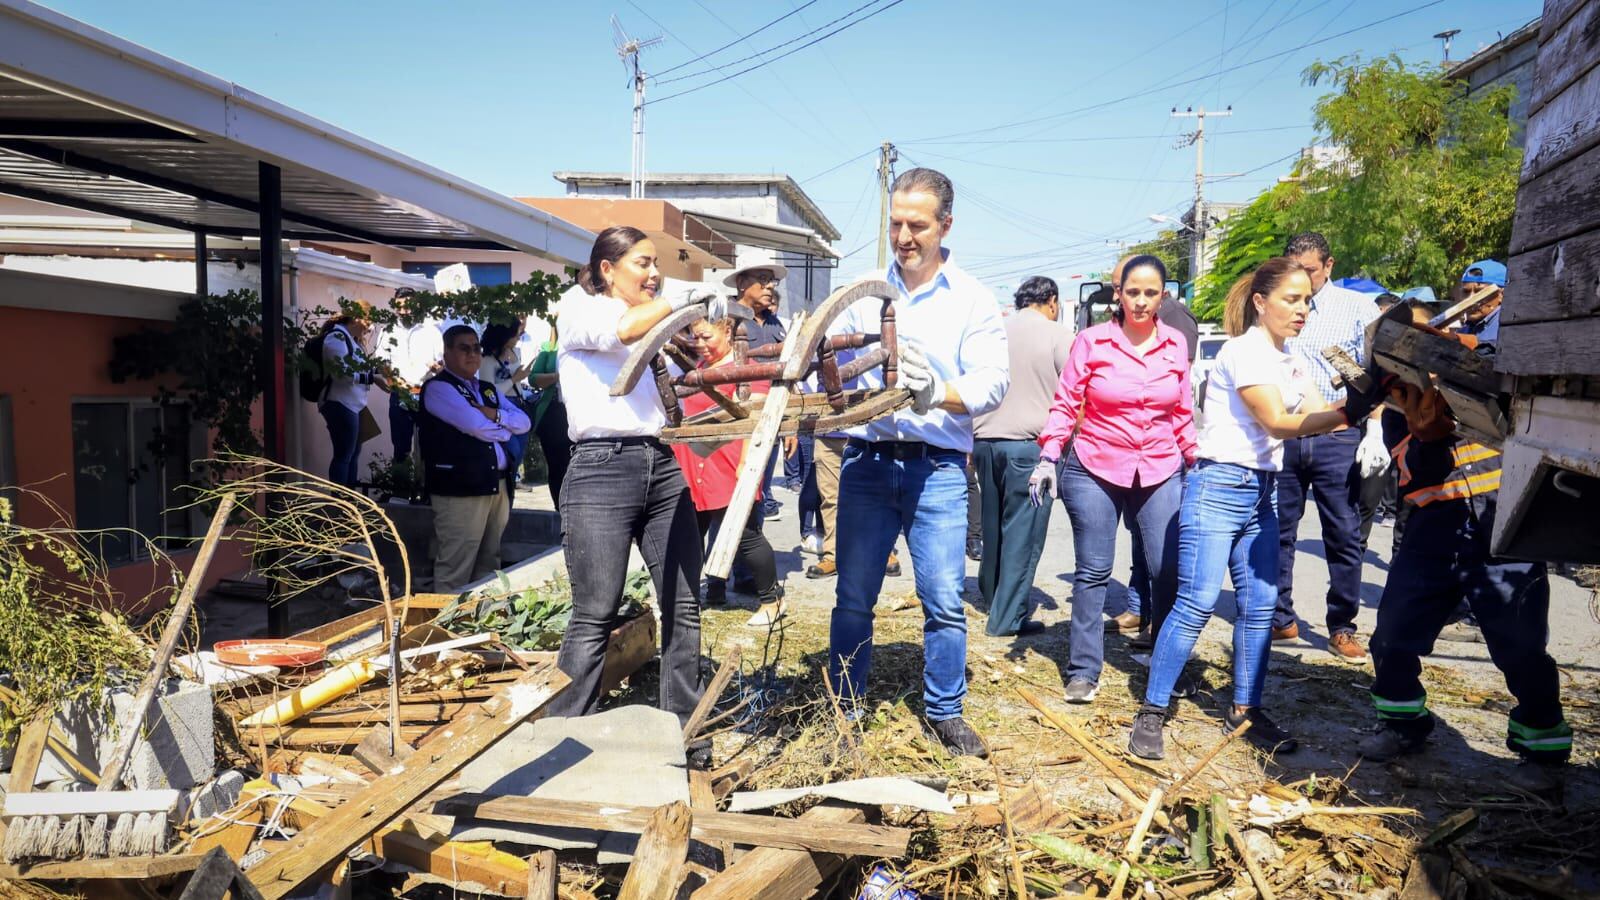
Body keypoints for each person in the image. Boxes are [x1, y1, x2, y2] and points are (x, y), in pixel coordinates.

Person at [1127, 257, 1384, 760]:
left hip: (1263, 491)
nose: (1302, 309)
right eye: (1291, 299)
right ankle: (1152, 711)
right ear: (1261, 303)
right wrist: (1353, 408)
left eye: (1307, 299)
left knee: (1260, 606)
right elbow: (1277, 422)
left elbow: (1319, 415)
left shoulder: (1291, 357)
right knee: (1198, 601)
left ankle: (1246, 709)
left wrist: (1366, 395)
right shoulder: (1245, 351)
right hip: (1219, 486)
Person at [828, 168, 1009, 757]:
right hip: (868, 461)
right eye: (896, 224)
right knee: (854, 595)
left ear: (946, 225)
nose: (904, 236)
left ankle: (944, 711)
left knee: (943, 601)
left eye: (918, 225)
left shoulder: (973, 298)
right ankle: (845, 709)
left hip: (937, 471)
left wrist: (938, 391)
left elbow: (992, 383)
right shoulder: (861, 293)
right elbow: (828, 366)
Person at [544, 226, 720, 740]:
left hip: (661, 466)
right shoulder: (579, 307)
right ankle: (561, 737)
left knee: (683, 604)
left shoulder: (651, 328)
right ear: (607, 268)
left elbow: (670, 393)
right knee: (595, 611)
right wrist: (678, 301)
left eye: (655, 264)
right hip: (601, 469)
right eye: (642, 263)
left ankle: (683, 733)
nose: (654, 273)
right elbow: (620, 331)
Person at [1358, 377, 1570, 794]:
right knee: (1393, 635)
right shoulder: (1399, 409)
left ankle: (1543, 749)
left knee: (1523, 646)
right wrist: (1428, 436)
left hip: (1505, 521)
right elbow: (1415, 474)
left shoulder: (1492, 381)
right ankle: (1403, 724)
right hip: (1434, 528)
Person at [1032, 256, 1195, 702]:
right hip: (1095, 466)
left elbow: (1181, 410)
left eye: (1150, 292)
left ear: (1164, 296)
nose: (1141, 302)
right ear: (1118, 294)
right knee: (1093, 571)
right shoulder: (1092, 342)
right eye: (1132, 292)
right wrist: (1049, 456)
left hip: (1159, 466)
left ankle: (1166, 664)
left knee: (1166, 571)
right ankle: (1084, 669)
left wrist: (1196, 459)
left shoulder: (1175, 344)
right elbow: (1067, 403)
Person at [1273, 232, 1382, 662]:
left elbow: (1377, 375)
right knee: (1278, 531)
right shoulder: (1275, 305)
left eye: (1311, 272)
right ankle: (1281, 616)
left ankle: (1342, 625)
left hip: (1337, 436)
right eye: (1294, 271)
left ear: (1329, 266)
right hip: (1286, 433)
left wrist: (1374, 430)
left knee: (1343, 533)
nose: (1302, 281)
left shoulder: (1358, 309)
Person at [973, 275, 1072, 637]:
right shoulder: (1057, 334)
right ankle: (1007, 619)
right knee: (1023, 535)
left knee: (994, 527)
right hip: (1029, 449)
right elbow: (1076, 389)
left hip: (984, 443)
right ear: (1052, 300)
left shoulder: (993, 330)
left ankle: (993, 597)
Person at [671, 316, 785, 623]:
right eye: (695, 338)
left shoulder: (746, 369)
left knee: (745, 536)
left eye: (706, 336)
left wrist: (748, 465)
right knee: (688, 536)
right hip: (693, 466)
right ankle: (684, 602)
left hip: (729, 462)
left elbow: (757, 418)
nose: (700, 345)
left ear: (727, 330)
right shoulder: (698, 370)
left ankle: (772, 603)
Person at [418, 324, 531, 592]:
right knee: (456, 563)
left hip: (496, 483)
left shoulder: (488, 390)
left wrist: (496, 416)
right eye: (463, 348)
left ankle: (480, 624)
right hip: (459, 488)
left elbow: (524, 422)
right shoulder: (439, 388)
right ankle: (446, 627)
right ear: (446, 352)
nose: (472, 354)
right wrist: (504, 430)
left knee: (489, 562)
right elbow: (475, 426)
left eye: (476, 348)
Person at [318, 301, 389, 486]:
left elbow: (358, 369)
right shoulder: (337, 338)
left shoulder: (352, 341)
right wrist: (373, 379)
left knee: (353, 454)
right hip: (339, 403)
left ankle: (350, 500)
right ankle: (341, 503)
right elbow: (342, 374)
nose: (370, 328)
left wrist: (377, 373)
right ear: (357, 318)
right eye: (368, 322)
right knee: (344, 455)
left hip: (354, 404)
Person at [377, 293, 441, 462]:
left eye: (408, 305)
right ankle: (401, 487)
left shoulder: (431, 330)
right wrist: (394, 381)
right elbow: (381, 363)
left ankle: (424, 487)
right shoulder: (387, 330)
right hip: (400, 395)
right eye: (400, 306)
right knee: (401, 449)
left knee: (429, 447)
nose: (405, 310)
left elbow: (442, 363)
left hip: (426, 395)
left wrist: (436, 368)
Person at [478, 320, 535, 473]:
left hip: (519, 404)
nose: (518, 338)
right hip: (502, 407)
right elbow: (488, 393)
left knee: (518, 453)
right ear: (505, 335)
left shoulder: (515, 351)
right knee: (511, 451)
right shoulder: (487, 359)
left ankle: (510, 489)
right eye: (516, 335)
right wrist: (514, 379)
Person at [526, 322, 571, 504]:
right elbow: (533, 378)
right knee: (557, 465)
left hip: (577, 412)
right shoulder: (549, 348)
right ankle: (559, 508)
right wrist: (558, 376)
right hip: (554, 413)